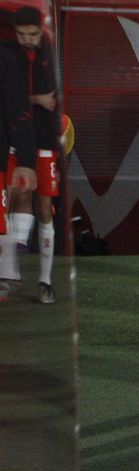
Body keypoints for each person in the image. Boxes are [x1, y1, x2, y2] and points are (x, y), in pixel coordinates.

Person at [6, 9, 61, 303]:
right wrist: (37, 99)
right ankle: (12, 276)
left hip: (44, 141)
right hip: (17, 140)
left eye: (32, 34)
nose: (27, 40)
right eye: (21, 34)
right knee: (16, 198)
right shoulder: (9, 54)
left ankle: (45, 280)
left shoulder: (51, 56)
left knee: (43, 207)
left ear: (41, 31)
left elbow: (56, 101)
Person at [0, 39, 38, 302]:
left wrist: (25, 158)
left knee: (12, 202)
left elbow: (18, 111)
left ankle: (9, 274)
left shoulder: (6, 58)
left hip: (6, 151)